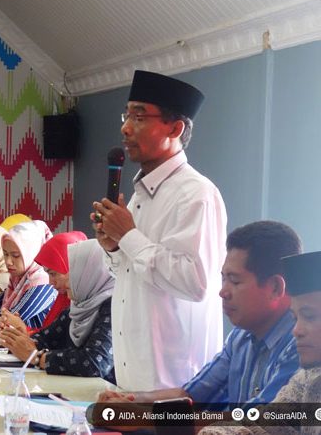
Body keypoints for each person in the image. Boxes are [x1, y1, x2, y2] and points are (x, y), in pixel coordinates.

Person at [91, 70, 227, 391]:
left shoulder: (196, 194)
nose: (125, 128)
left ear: (175, 128)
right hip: (132, 376)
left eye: (139, 117)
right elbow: (132, 273)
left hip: (174, 383)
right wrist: (115, 247)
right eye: (126, 115)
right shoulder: (140, 194)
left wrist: (129, 237)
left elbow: (196, 282)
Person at [98, 221, 302, 419]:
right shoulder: (240, 337)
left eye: (235, 281)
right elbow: (191, 396)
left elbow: (253, 422)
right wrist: (128, 400)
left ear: (275, 287)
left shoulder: (302, 345)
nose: (223, 292)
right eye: (223, 279)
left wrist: (143, 416)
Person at [199, 250, 321, 435]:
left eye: (309, 316)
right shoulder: (306, 380)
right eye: (295, 318)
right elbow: (260, 424)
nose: (296, 330)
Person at [0, 239, 115, 381]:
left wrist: (37, 357)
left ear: (88, 273)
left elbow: (94, 363)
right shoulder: (77, 306)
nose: (51, 282)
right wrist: (18, 340)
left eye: (71, 272)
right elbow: (44, 339)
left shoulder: (113, 307)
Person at [0, 230, 88, 334]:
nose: (50, 282)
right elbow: (48, 335)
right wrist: (23, 330)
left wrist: (24, 332)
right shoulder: (64, 297)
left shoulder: (40, 283)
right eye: (5, 254)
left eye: (53, 274)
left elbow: (52, 339)